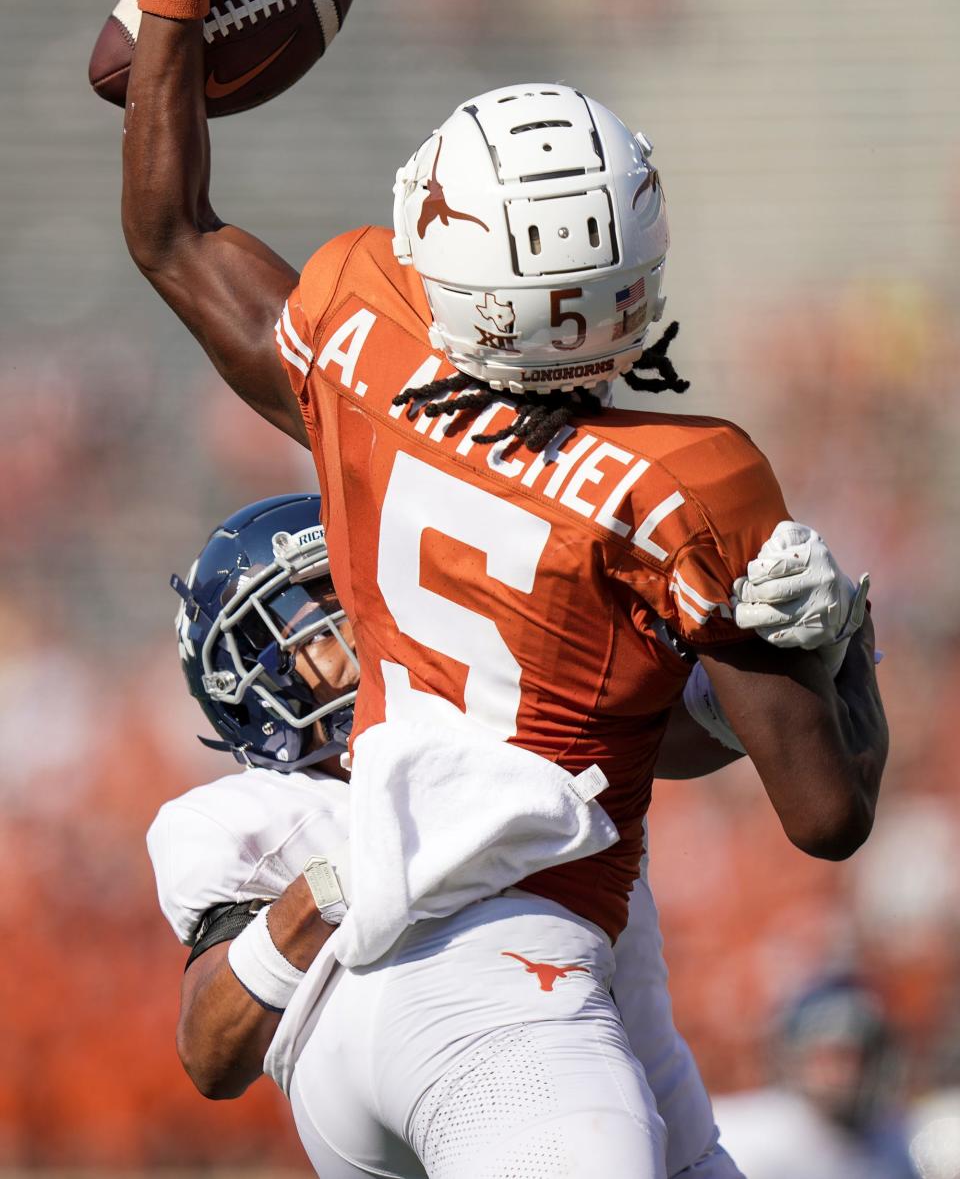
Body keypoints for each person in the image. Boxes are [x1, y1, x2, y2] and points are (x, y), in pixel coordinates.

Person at [121, 0, 889, 1173]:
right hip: (519, 997)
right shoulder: (690, 478)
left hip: (378, 1008)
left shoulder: (367, 340)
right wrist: (837, 652)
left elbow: (171, 233)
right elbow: (828, 813)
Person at [154, 495, 864, 1179]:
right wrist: (338, 885)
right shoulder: (258, 813)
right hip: (484, 1109)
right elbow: (211, 1053)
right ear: (243, 674)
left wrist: (797, 643)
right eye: (319, 617)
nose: (361, 628)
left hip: (664, 1125)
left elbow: (700, 728)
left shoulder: (498, 711)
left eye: (359, 593)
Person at [713, 976, 918, 1179]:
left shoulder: (896, 1141)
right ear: (795, 1058)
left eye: (862, 1058)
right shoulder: (754, 1140)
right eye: (833, 1057)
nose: (847, 1073)